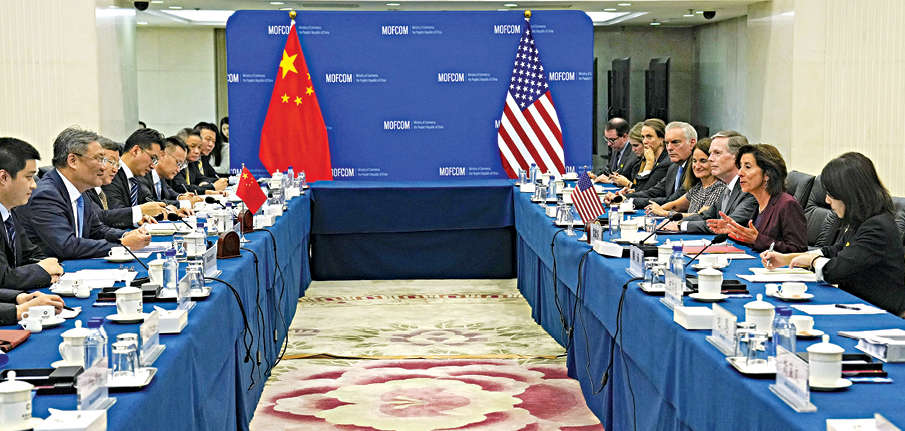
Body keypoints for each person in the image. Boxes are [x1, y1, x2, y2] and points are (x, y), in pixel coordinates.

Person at [762, 153, 905, 316]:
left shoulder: (877, 227)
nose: (827, 200)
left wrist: (813, 261)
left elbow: (833, 271)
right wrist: (787, 259)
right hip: (857, 305)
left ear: (849, 194)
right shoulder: (860, 220)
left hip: (883, 315)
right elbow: (835, 251)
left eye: (830, 194)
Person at [18, 127, 151, 260]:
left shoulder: (79, 189)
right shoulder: (46, 195)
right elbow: (67, 246)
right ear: (73, 161)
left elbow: (97, 230)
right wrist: (122, 245)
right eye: (99, 159)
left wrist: (125, 235)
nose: (103, 167)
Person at [707, 144, 806, 253]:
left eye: (747, 167)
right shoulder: (758, 204)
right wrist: (735, 232)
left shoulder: (787, 204)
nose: (739, 173)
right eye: (740, 167)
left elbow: (798, 250)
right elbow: (754, 242)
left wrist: (757, 239)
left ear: (767, 174)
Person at [0, 137, 64, 291]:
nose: (34, 185)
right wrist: (43, 273)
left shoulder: (10, 211)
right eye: (29, 177)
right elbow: (3, 278)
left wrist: (50, 266)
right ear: (3, 178)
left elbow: (31, 253)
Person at [666, 131, 757, 233]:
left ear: (737, 157)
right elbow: (706, 216)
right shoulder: (729, 187)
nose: (710, 159)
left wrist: (682, 225)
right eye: (710, 154)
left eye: (717, 153)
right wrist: (675, 222)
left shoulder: (749, 189)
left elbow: (729, 225)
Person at [616, 121, 696, 209]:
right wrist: (621, 197)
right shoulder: (674, 166)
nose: (669, 148)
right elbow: (654, 191)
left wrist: (628, 201)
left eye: (675, 142)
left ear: (692, 143)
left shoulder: (694, 168)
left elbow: (672, 201)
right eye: (667, 143)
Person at [84, 137, 158, 228]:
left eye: (117, 165)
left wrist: (136, 220)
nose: (115, 169)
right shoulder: (85, 190)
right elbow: (101, 217)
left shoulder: (136, 178)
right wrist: (139, 211)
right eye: (111, 162)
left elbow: (100, 227)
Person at [645, 138, 726, 220]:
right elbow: (675, 205)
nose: (697, 166)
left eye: (703, 161)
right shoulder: (698, 187)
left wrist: (664, 213)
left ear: (714, 162)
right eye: (694, 161)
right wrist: (657, 209)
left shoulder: (720, 187)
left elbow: (701, 217)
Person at [101, 129, 167, 218]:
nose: (153, 166)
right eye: (152, 158)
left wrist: (165, 210)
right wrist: (140, 212)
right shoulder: (111, 174)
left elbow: (148, 202)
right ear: (136, 151)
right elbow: (115, 214)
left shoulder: (136, 178)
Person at [602, 118, 669, 196]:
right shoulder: (643, 160)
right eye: (643, 137)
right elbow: (639, 189)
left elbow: (645, 192)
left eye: (649, 136)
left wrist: (649, 163)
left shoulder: (665, 163)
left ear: (662, 138)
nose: (645, 141)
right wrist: (631, 191)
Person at [139, 136, 200, 209]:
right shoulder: (143, 174)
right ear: (162, 155)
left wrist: (180, 197)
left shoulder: (161, 176)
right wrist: (185, 203)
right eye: (178, 163)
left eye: (181, 165)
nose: (178, 170)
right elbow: (151, 203)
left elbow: (168, 191)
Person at [171, 128, 226, 194]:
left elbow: (201, 178)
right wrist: (212, 187)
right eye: (192, 146)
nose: (197, 151)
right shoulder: (175, 164)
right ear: (181, 145)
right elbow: (181, 187)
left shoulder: (191, 163)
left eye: (199, 147)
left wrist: (205, 182)